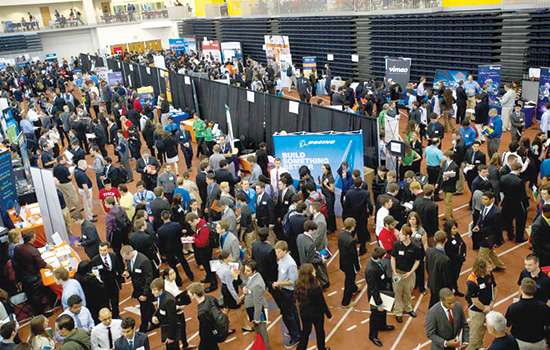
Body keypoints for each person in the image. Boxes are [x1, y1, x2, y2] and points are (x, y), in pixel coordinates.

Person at [12, 231, 54, 317]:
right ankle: (40, 314)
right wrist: (51, 267)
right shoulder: (33, 251)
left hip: (23, 275)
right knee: (37, 296)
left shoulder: (17, 248)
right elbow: (42, 264)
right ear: (32, 239)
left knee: (30, 294)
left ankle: (38, 307)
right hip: (33, 277)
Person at [294, 263, 331, 350]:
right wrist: (328, 314)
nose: (315, 271)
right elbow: (322, 303)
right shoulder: (315, 287)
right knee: (320, 332)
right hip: (316, 314)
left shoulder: (298, 285)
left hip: (304, 312)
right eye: (313, 270)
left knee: (305, 332)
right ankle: (321, 348)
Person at [506, 278, 550, 350]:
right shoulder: (543, 307)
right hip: (538, 342)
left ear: (521, 289)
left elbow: (507, 324)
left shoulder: (513, 307)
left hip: (519, 342)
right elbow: (547, 324)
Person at [272, 241, 301, 348]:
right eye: (276, 252)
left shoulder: (291, 264)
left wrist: (279, 283)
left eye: (279, 252)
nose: (277, 254)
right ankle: (296, 330)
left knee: (288, 315)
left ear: (285, 251)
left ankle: (295, 337)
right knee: (292, 312)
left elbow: (292, 281)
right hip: (283, 290)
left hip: (288, 292)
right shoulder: (281, 259)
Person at [391, 225, 422, 323]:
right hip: (398, 273)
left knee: (408, 291)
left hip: (408, 274)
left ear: (408, 236)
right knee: (397, 292)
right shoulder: (397, 245)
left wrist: (411, 272)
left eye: (401, 234)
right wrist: (394, 272)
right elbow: (393, 258)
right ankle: (398, 312)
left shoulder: (415, 247)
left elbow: (417, 261)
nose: (399, 235)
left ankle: (408, 308)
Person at [121, 245, 154, 333]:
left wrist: (145, 294)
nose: (125, 260)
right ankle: (155, 319)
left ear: (130, 253)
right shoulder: (129, 259)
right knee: (148, 306)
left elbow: (149, 278)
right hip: (137, 288)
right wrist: (128, 272)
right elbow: (131, 269)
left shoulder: (143, 261)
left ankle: (144, 327)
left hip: (144, 289)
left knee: (144, 309)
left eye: (126, 257)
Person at [365, 247, 395, 347]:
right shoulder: (371, 269)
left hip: (383, 291)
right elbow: (373, 288)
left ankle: (382, 325)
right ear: (378, 258)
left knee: (383, 311)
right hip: (376, 295)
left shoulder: (377, 263)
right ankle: (373, 335)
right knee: (375, 315)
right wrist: (379, 303)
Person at [215, 251, 250, 334]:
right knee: (238, 308)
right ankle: (244, 326)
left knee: (226, 308)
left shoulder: (219, 265)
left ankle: (222, 327)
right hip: (228, 289)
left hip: (224, 287)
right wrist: (237, 298)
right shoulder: (227, 271)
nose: (231, 258)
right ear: (225, 259)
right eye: (230, 257)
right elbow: (230, 286)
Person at [466, 257, 497, 350]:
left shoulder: (489, 274)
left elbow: (495, 288)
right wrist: (485, 308)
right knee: (475, 336)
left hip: (488, 308)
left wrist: (491, 304)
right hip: (477, 311)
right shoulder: (472, 281)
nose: (490, 269)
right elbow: (475, 301)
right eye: (488, 268)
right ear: (481, 268)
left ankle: (480, 346)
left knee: (483, 330)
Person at [161, 268, 195, 349]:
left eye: (174, 273)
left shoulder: (172, 281)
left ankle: (185, 344)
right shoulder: (166, 287)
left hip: (179, 308)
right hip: (174, 311)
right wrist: (178, 307)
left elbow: (176, 292)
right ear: (166, 276)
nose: (174, 275)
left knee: (183, 327)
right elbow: (168, 302)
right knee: (177, 330)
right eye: (171, 274)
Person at [157, 210, 194, 285]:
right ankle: (190, 276)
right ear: (169, 215)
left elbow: (161, 243)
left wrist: (162, 252)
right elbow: (180, 234)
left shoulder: (160, 230)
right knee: (183, 261)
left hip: (168, 249)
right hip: (177, 246)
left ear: (162, 218)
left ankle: (178, 281)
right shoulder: (177, 225)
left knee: (172, 265)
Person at [473, 191, 506, 270]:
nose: (483, 201)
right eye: (483, 199)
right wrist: (477, 225)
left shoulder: (496, 212)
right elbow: (481, 217)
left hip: (490, 237)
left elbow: (498, 228)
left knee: (481, 257)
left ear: (492, 200)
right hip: (482, 234)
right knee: (491, 253)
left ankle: (478, 271)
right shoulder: (482, 206)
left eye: (486, 199)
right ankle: (501, 265)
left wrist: (498, 241)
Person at [91, 242, 124, 318]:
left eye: (104, 250)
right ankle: (108, 316)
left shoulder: (113, 256)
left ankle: (116, 315)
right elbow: (94, 274)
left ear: (108, 249)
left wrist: (120, 278)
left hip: (113, 283)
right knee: (105, 302)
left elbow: (118, 268)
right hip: (103, 285)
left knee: (115, 301)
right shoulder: (95, 260)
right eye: (100, 250)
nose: (102, 252)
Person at [186, 213, 217, 293]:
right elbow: (197, 234)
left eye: (190, 223)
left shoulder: (204, 228)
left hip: (205, 250)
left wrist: (193, 240)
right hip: (203, 249)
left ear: (194, 220)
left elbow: (202, 242)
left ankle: (213, 283)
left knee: (208, 266)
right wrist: (192, 237)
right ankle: (208, 277)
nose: (191, 225)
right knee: (206, 265)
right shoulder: (200, 224)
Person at [243, 260, 270, 350]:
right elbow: (248, 286)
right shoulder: (252, 276)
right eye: (245, 270)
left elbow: (258, 304)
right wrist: (244, 289)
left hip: (258, 310)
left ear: (254, 271)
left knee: (262, 331)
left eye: (247, 271)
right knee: (258, 330)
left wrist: (257, 318)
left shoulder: (257, 284)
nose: (245, 272)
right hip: (252, 307)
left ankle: (266, 347)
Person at [343, 177, 373, 254]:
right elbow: (370, 204)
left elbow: (345, 204)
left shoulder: (349, 192)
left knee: (351, 233)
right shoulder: (365, 193)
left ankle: (350, 249)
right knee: (362, 232)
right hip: (362, 216)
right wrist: (370, 213)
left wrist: (346, 214)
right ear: (362, 184)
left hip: (352, 215)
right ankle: (362, 250)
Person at [500, 162, 529, 243]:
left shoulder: (503, 178)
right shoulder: (519, 181)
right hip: (517, 204)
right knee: (520, 222)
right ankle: (519, 238)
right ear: (519, 169)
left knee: (508, 220)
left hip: (506, 202)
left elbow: (501, 190)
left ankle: (510, 235)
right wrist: (526, 205)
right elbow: (523, 195)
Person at [187, 282, 220, 350]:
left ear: (195, 295)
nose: (189, 294)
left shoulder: (201, 312)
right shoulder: (210, 298)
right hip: (216, 328)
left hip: (208, 336)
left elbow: (205, 330)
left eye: (190, 293)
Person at [297, 220, 330, 289]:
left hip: (302, 262)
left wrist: (314, 252)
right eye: (314, 230)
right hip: (309, 266)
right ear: (310, 230)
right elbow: (311, 259)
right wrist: (321, 260)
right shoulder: (311, 244)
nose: (315, 231)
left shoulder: (299, 237)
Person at [338, 218, 362, 309]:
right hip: (349, 264)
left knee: (349, 278)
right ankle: (345, 302)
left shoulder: (341, 234)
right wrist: (357, 266)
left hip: (342, 261)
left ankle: (354, 288)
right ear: (352, 226)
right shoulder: (351, 241)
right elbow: (354, 256)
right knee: (349, 280)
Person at [425, 231, 452, 308]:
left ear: (434, 239)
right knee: (436, 304)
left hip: (431, 281)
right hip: (440, 286)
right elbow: (446, 277)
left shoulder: (429, 251)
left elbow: (427, 266)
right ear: (446, 240)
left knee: (433, 300)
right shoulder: (446, 259)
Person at [443, 220, 466, 297]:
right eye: (453, 229)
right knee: (451, 277)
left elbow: (463, 244)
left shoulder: (457, 235)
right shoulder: (447, 240)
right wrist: (459, 257)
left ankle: (455, 289)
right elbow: (449, 253)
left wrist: (464, 253)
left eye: (456, 228)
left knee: (455, 277)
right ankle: (450, 291)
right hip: (452, 263)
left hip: (458, 262)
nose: (455, 230)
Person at [441, 150, 459, 220]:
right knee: (446, 202)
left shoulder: (455, 166)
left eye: (444, 156)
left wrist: (448, 177)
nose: (443, 157)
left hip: (450, 186)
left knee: (448, 202)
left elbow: (457, 178)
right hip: (444, 185)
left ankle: (448, 217)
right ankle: (449, 214)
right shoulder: (445, 163)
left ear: (448, 157)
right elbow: (441, 172)